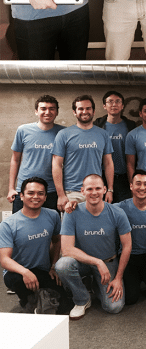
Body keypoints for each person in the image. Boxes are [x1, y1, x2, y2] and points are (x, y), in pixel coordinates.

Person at [55, 174, 132, 319]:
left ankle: (96, 284)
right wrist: (97, 262)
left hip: (108, 262)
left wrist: (118, 278)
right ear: (82, 191)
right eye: (90, 189)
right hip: (83, 262)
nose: (94, 192)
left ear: (104, 190)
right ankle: (82, 299)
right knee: (63, 265)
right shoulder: (72, 212)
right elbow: (66, 249)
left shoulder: (117, 213)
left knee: (114, 307)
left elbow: (127, 246)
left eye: (98, 188)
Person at [0, 177, 68, 314]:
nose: (35, 197)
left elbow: (56, 241)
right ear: (21, 196)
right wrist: (25, 272)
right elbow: (4, 259)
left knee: (66, 307)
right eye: (30, 193)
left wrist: (54, 265)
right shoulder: (8, 225)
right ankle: (30, 300)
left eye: (40, 193)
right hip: (17, 273)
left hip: (42, 270)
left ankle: (39, 297)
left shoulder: (53, 216)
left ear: (45, 197)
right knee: (21, 284)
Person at [52, 95, 114, 210]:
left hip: (96, 192)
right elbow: (56, 165)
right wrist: (61, 195)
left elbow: (108, 163)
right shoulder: (64, 134)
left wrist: (109, 189)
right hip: (72, 193)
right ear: (74, 112)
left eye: (88, 108)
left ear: (93, 111)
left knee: (95, 227)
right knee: (72, 227)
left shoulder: (103, 134)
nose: (84, 111)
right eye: (80, 109)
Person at [115, 170, 146, 306]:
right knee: (130, 299)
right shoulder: (120, 207)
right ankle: (136, 280)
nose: (142, 188)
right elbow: (100, 208)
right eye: (138, 184)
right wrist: (75, 205)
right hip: (129, 257)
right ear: (131, 186)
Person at [8, 95, 64, 213]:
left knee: (51, 229)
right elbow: (15, 159)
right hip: (25, 190)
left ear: (57, 112)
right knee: (21, 227)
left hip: (52, 191)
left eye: (51, 108)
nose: (47, 112)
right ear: (36, 111)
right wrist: (11, 188)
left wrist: (62, 193)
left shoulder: (63, 133)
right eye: (43, 108)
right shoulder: (23, 130)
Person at [94, 91, 136, 203]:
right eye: (110, 102)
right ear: (104, 106)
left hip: (124, 178)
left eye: (118, 102)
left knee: (123, 212)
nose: (114, 104)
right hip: (101, 177)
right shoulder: (97, 126)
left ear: (122, 106)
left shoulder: (130, 126)